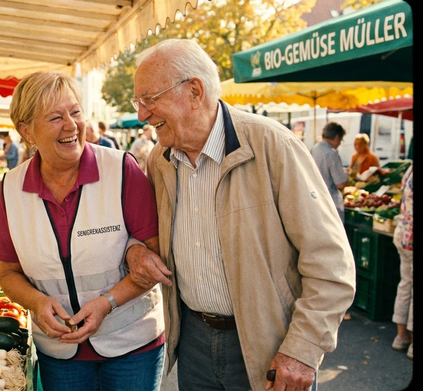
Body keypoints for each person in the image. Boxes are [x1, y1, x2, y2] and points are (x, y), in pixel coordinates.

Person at [125, 39, 356, 391]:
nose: (142, 114)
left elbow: (331, 263)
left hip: (270, 345)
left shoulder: (272, 146)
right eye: (138, 102)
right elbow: (145, 233)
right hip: (193, 340)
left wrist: (303, 349)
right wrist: (136, 250)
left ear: (194, 91)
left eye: (149, 99)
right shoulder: (159, 160)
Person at [0, 70, 165, 391]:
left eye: (75, 112)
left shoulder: (121, 169)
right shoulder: (11, 188)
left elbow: (155, 257)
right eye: (55, 117)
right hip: (59, 354)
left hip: (132, 347)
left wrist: (107, 303)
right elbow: (8, 273)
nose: (71, 125)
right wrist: (37, 302)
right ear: (26, 131)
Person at [391, 164, 413, 360]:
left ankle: (400, 336)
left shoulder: (409, 171)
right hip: (412, 237)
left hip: (403, 234)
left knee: (405, 284)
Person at [311, 122, 350, 223]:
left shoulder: (314, 148)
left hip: (315, 201)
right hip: (330, 204)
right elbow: (340, 184)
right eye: (341, 140)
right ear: (337, 137)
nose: (340, 143)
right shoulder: (331, 153)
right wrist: (347, 175)